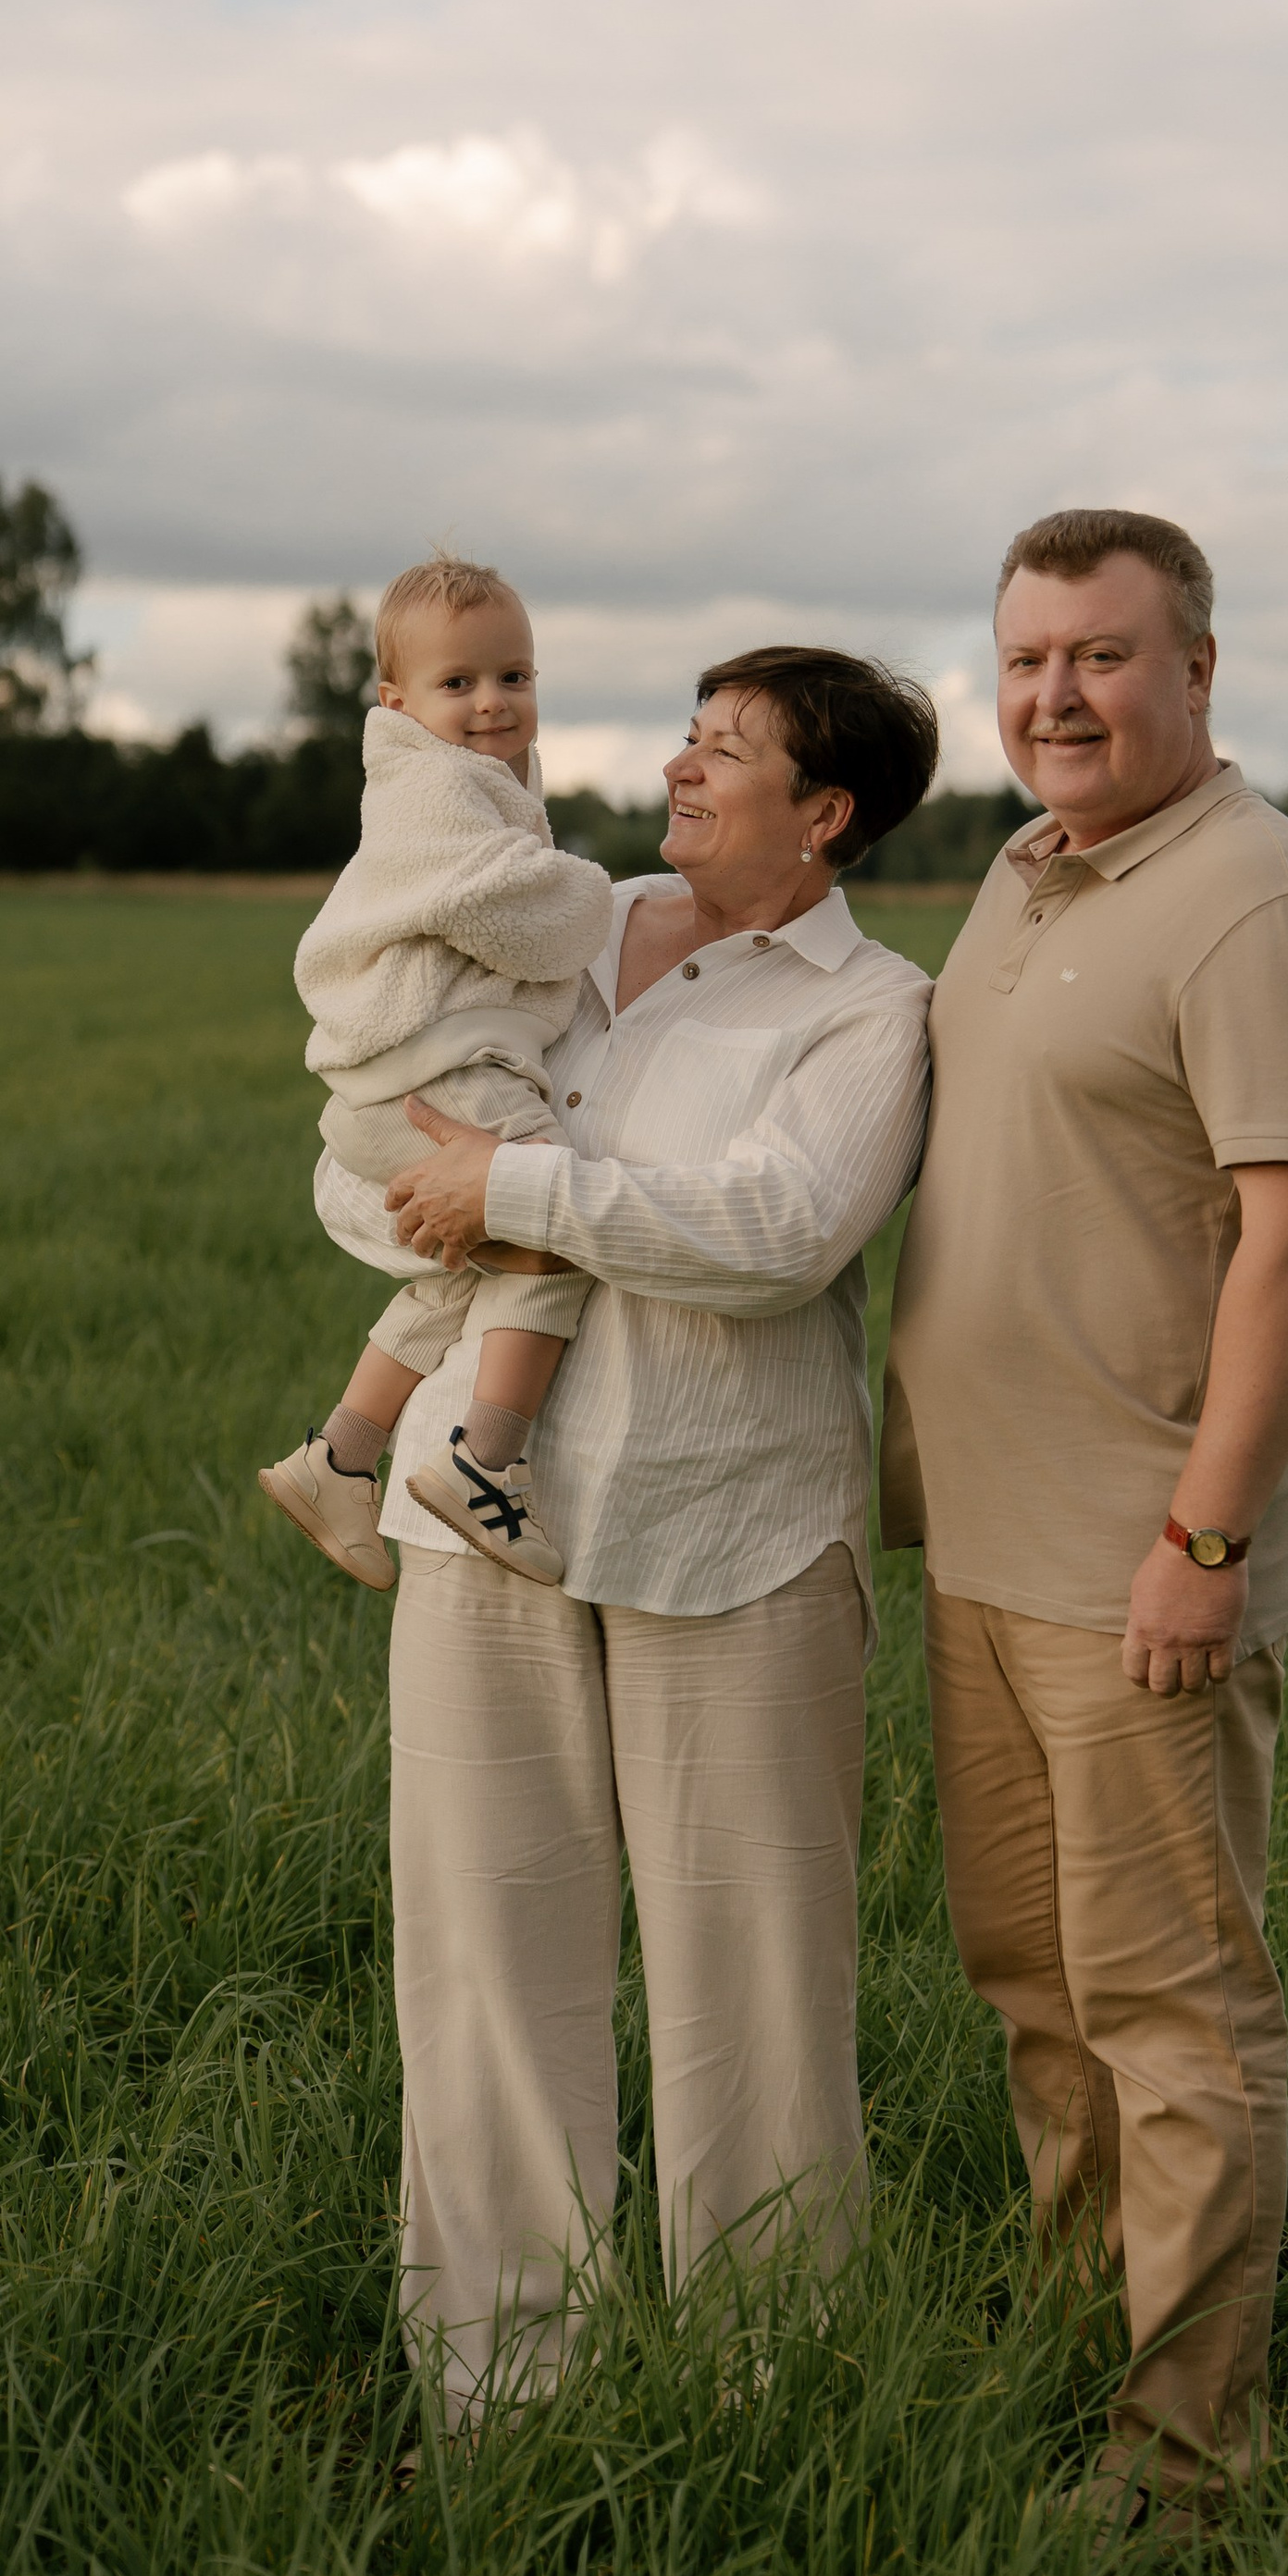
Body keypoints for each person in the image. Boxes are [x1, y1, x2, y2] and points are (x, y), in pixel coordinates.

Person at [881, 508, 1288, 2533]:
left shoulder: (1253, 901)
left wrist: (1199, 1543)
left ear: (1194, 672)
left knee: (1171, 2014)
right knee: (1032, 1981)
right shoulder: (1020, 874)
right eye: (1023, 660)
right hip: (980, 1550)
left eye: (1098, 655)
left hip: (1133, 1565)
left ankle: (1185, 2461)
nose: (1053, 695)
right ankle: (1076, 2336)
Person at [372, 647, 938, 2423]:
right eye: (685, 739)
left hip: (735, 1534)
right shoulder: (565, 922)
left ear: (824, 813)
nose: (679, 771)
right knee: (485, 1964)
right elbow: (387, 1106)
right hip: (480, 1522)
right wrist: (407, 1192)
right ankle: (498, 2394)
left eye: (725, 752)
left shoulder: (870, 1012)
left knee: (752, 1990)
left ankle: (768, 2397)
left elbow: (776, 1230)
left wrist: (510, 1190)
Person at [258, 556, 612, 1592]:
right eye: (459, 684)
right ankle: (485, 1461)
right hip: (440, 1074)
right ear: (396, 703)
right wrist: (592, 895)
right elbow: (520, 910)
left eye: (514, 677)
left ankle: (337, 1460)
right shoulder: (431, 791)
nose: (493, 703)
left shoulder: (475, 784)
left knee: (461, 1270)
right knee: (554, 1222)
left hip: (403, 1083)